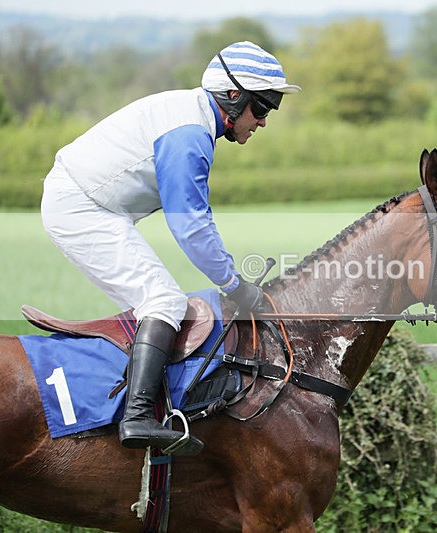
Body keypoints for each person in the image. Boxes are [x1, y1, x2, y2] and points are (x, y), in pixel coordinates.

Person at [40, 41, 300, 454]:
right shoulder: (190, 135)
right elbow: (191, 226)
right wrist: (235, 286)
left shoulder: (193, 117)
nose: (264, 122)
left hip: (94, 205)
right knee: (162, 300)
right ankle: (138, 417)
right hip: (81, 208)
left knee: (160, 299)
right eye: (263, 108)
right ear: (233, 97)